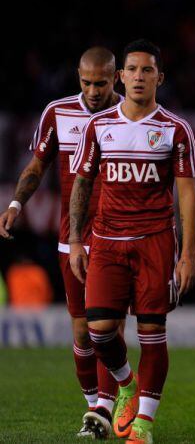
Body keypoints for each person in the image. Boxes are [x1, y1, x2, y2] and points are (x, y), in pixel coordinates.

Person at [69, 39, 195, 444]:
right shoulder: (99, 125)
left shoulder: (174, 129)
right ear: (120, 76)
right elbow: (82, 184)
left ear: (159, 77)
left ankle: (143, 423)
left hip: (154, 242)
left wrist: (189, 252)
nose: (139, 77)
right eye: (132, 70)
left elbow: (187, 194)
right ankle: (126, 384)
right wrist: (76, 240)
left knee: (151, 333)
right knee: (100, 330)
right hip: (106, 241)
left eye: (147, 71)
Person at [0, 46, 122, 438]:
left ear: (115, 78)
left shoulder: (128, 116)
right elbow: (38, 164)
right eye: (86, 82)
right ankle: (94, 406)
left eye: (101, 83)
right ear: (78, 76)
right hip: (71, 236)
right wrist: (17, 203)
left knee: (108, 326)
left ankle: (105, 406)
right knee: (83, 331)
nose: (93, 90)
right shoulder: (58, 112)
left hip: (114, 234)